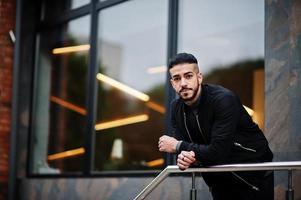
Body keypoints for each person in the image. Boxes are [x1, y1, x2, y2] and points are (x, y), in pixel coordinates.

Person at [158, 53, 274, 200]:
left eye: (188, 76)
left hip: (253, 178)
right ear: (172, 83)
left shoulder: (223, 100)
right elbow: (187, 151)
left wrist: (178, 146)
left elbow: (217, 152)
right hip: (218, 182)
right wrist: (186, 158)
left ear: (199, 77)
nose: (183, 83)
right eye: (177, 78)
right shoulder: (176, 108)